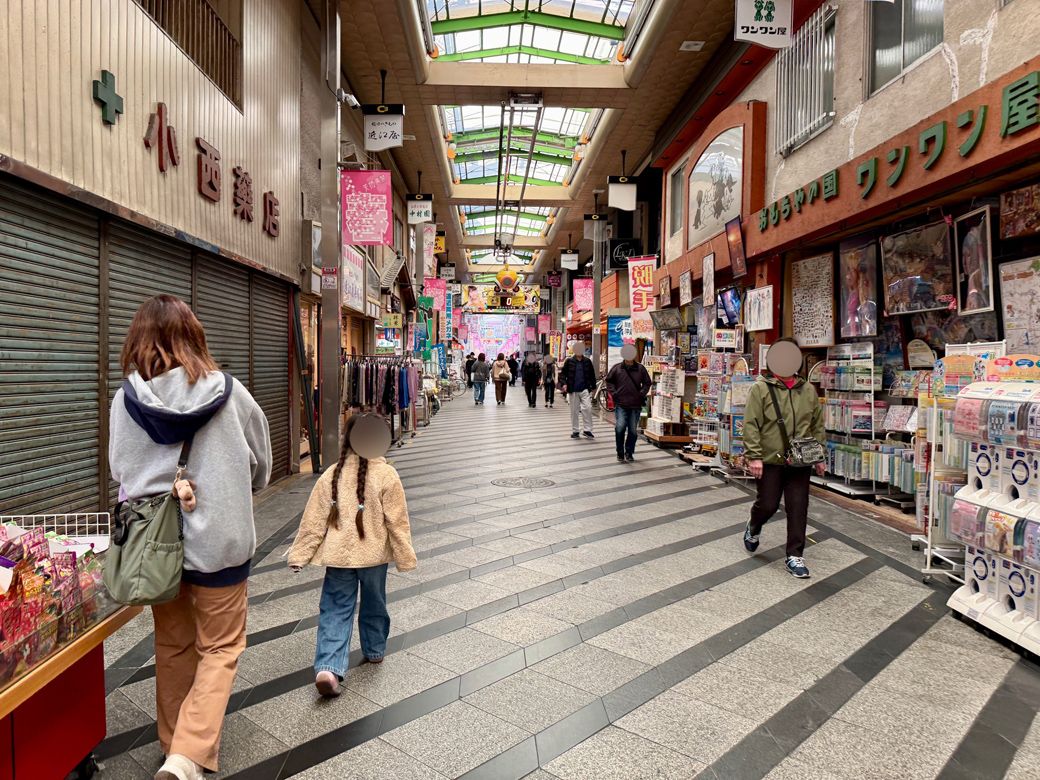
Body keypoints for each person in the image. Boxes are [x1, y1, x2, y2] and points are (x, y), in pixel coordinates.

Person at [109, 295, 272, 780]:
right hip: (220, 541)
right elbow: (260, 462)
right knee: (220, 647)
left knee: (173, 645)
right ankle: (186, 757)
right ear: (194, 336)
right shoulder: (231, 393)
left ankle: (173, 748)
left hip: (154, 549)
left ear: (138, 340)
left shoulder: (125, 400)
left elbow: (122, 469)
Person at [288, 413, 416, 697]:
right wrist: (405, 555)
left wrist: (300, 554)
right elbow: (397, 521)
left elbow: (313, 520)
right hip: (373, 558)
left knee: (335, 608)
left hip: (339, 558)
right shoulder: (386, 475)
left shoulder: (331, 474)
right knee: (375, 603)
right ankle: (374, 649)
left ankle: (328, 667)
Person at [741, 339, 825, 579]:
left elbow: (817, 424)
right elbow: (751, 424)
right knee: (767, 504)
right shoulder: (761, 388)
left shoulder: (807, 389)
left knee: (798, 507)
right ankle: (754, 525)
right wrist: (754, 456)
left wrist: (818, 455)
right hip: (770, 459)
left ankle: (794, 555)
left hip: (800, 460)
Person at [606, 345, 652, 462]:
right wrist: (614, 393)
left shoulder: (640, 369)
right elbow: (609, 381)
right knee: (620, 427)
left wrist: (641, 393)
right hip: (621, 403)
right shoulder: (617, 368)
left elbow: (647, 382)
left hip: (635, 405)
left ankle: (629, 452)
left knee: (632, 430)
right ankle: (620, 453)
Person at [559, 342, 596, 439]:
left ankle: (587, 430)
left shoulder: (587, 361)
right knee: (574, 411)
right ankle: (575, 431)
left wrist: (594, 387)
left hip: (585, 389)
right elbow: (562, 374)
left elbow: (592, 375)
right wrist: (564, 384)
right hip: (573, 390)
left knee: (587, 408)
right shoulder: (569, 361)